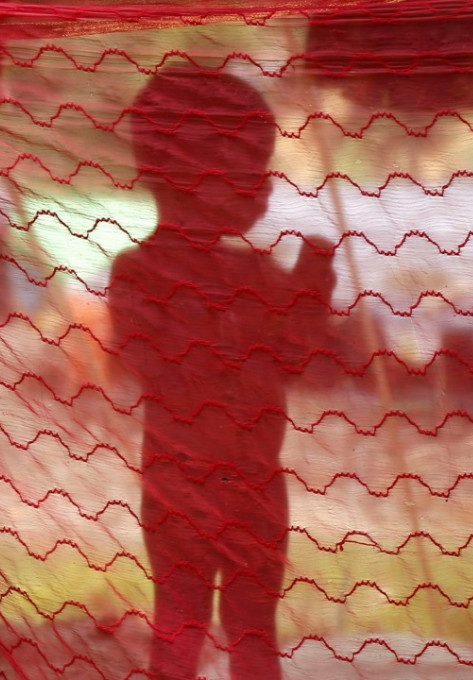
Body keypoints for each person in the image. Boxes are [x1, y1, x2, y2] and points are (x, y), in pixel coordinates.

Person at [108, 66, 337, 680]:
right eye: (248, 174)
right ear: (186, 177)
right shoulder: (139, 273)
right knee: (182, 625)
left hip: (249, 487)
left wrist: (312, 283)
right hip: (185, 487)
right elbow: (151, 367)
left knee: (252, 631)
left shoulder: (255, 273)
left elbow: (293, 357)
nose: (263, 190)